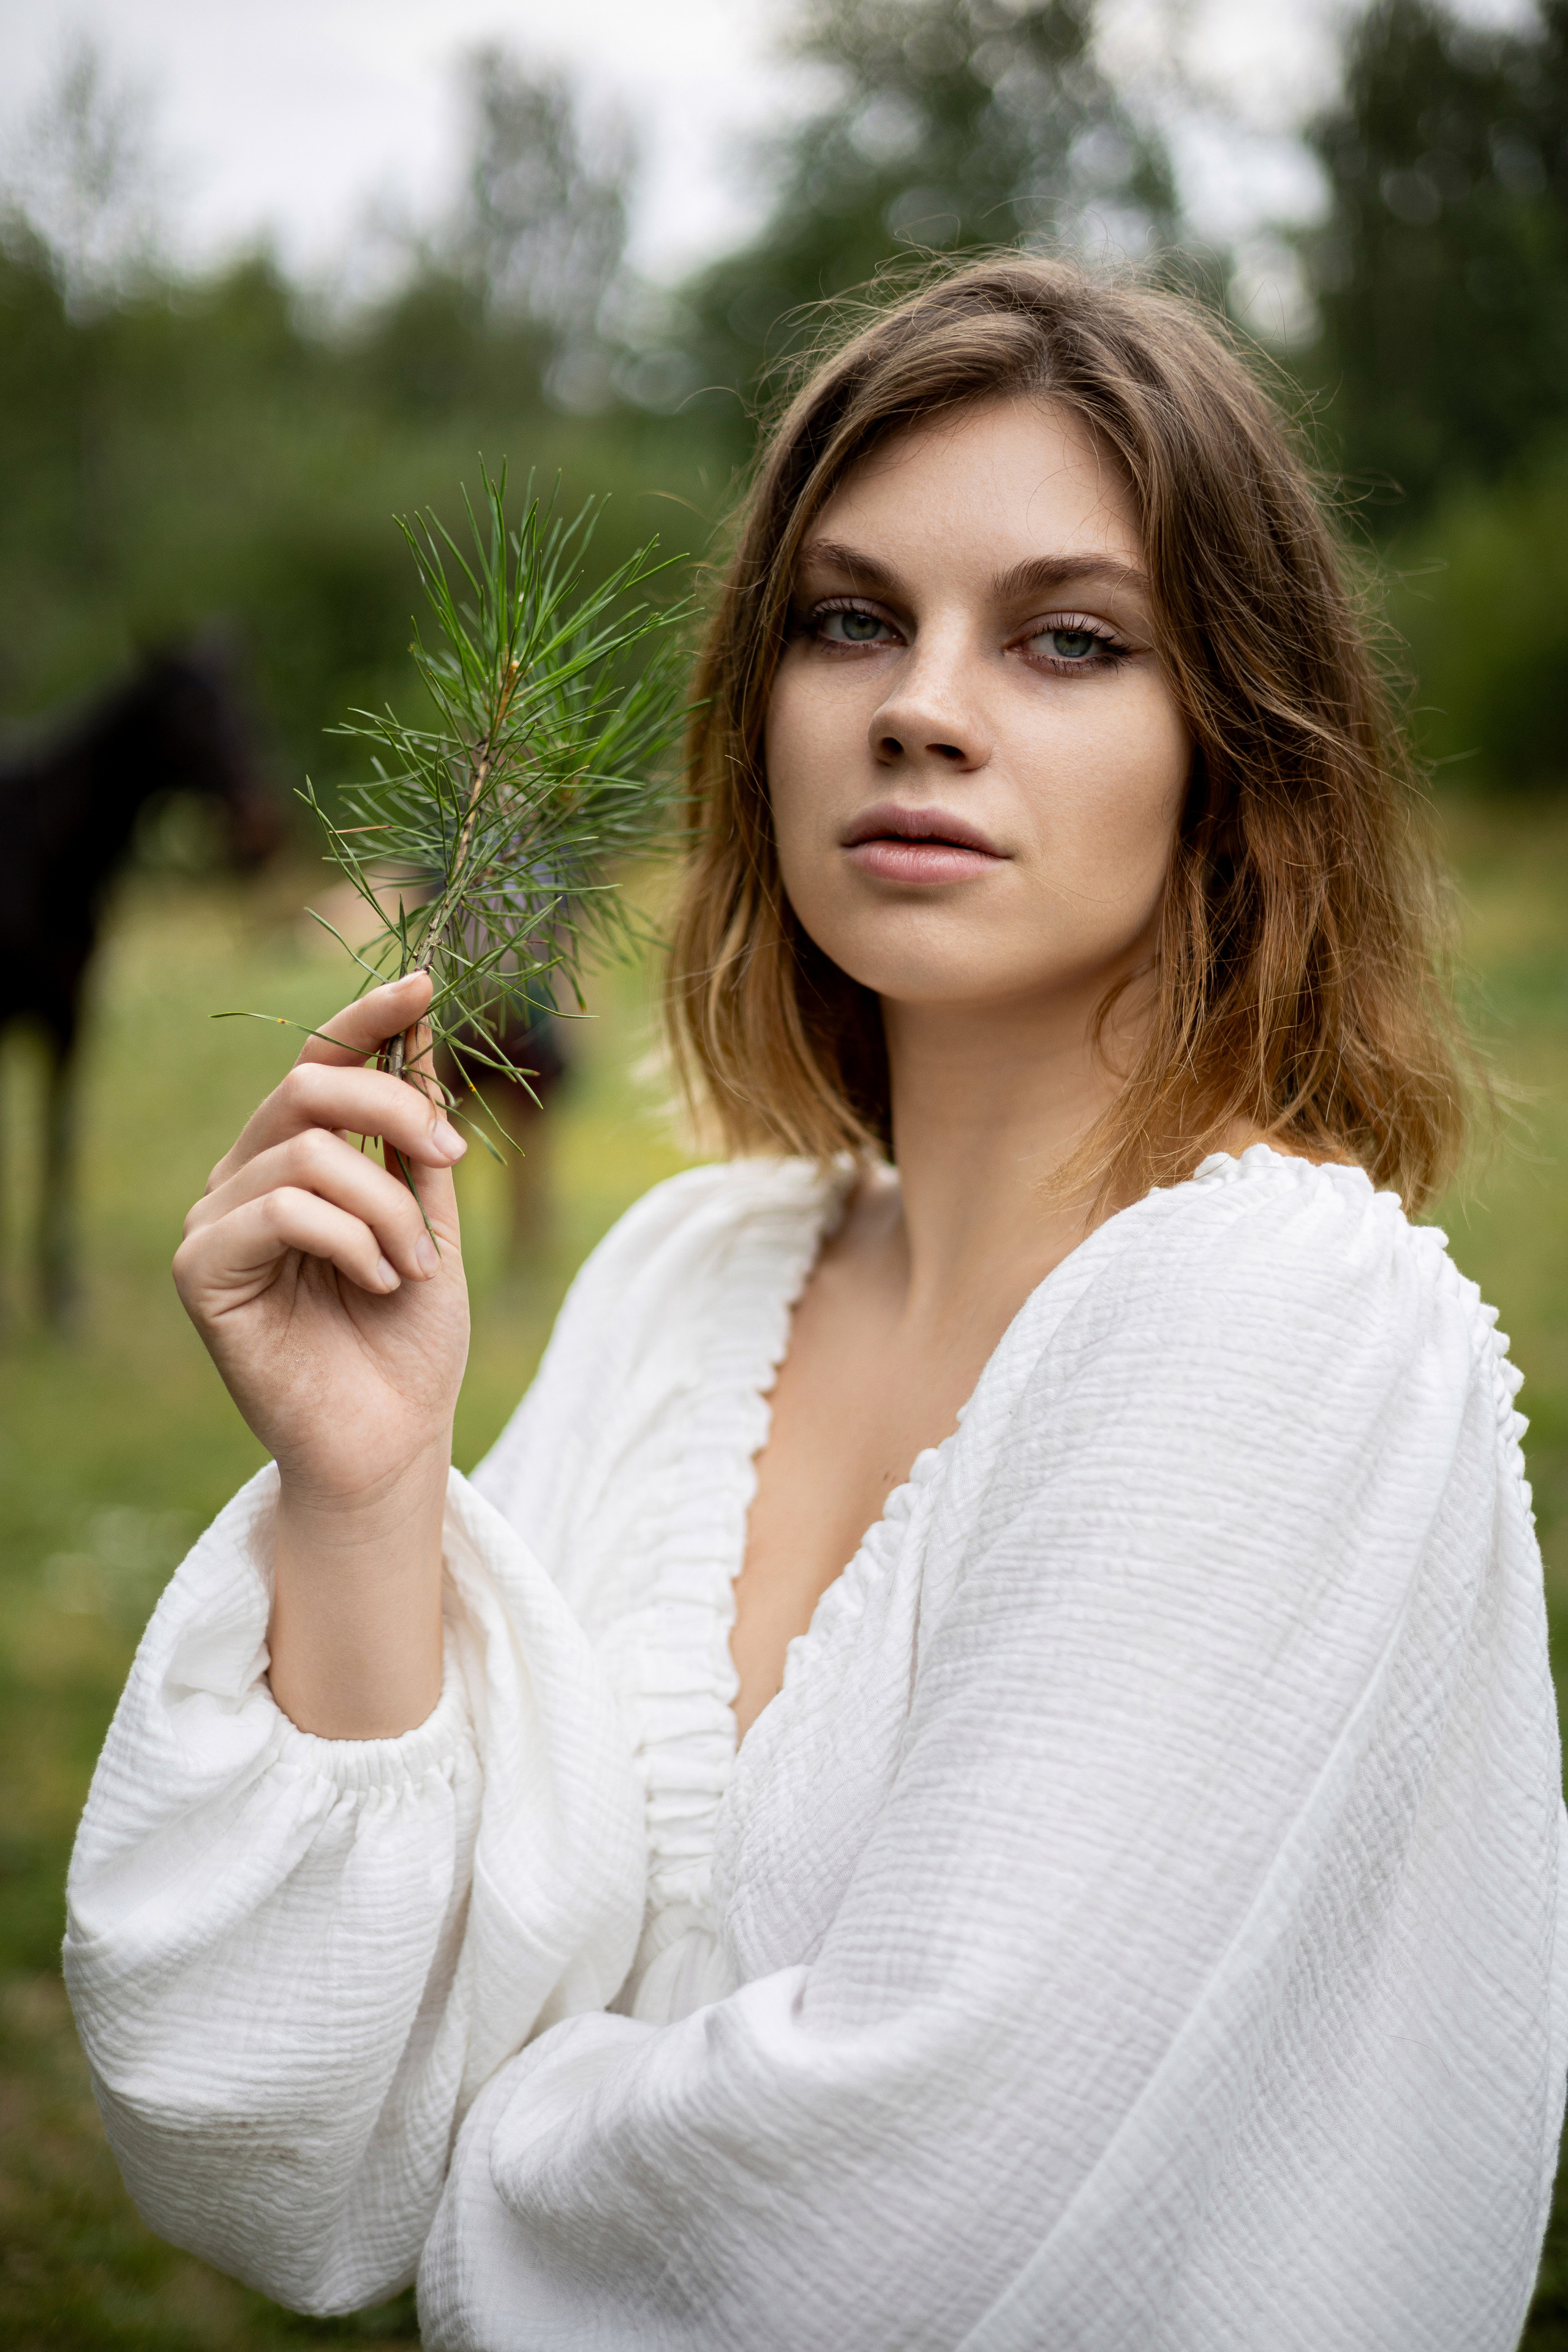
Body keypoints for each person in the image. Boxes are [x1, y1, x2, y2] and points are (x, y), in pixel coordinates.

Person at [64, 257, 1566, 2350]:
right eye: (850, 617)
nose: (917, 705)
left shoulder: (1283, 1324)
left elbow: (897, 2234)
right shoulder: (701, 1275)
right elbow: (289, 2148)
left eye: (1067, 638)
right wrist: (366, 1493)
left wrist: (484, 2142)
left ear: (1237, 740)